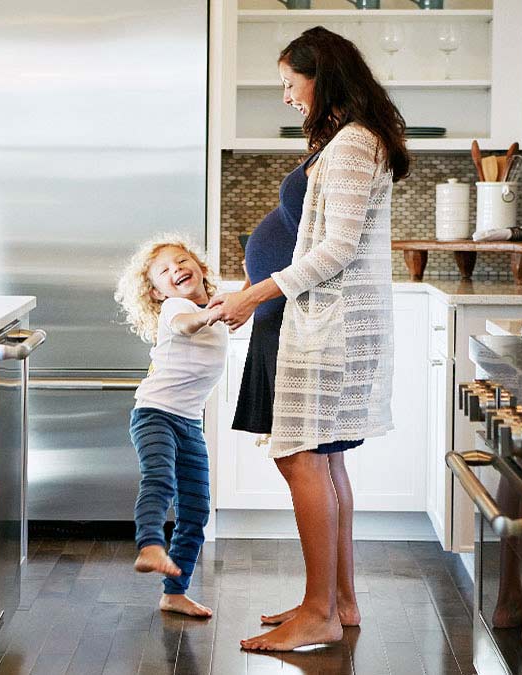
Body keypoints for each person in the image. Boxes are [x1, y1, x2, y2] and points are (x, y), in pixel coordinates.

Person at [210, 26, 410, 651]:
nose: (287, 96)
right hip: (306, 319)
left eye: (290, 82)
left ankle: (320, 611)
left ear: (321, 76)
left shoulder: (352, 144)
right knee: (322, 460)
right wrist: (252, 291)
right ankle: (336, 602)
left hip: (321, 325)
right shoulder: (348, 138)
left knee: (302, 458)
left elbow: (336, 250)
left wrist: (254, 295)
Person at [113, 235, 228, 618]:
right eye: (164, 271)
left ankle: (174, 593)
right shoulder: (176, 308)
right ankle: (149, 546)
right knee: (159, 479)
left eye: (181, 260)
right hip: (154, 414)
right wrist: (208, 315)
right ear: (157, 293)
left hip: (189, 422)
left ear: (200, 267)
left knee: (196, 511)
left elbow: (232, 308)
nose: (176, 269)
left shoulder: (214, 306)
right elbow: (184, 326)